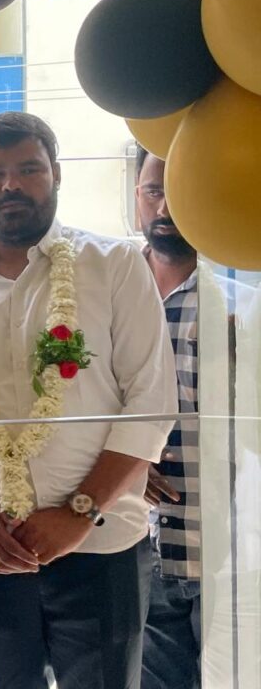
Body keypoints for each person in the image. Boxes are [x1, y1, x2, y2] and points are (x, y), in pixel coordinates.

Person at [0, 112, 177, 689]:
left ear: (56, 174)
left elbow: (150, 403)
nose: (11, 185)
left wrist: (79, 512)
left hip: (102, 544)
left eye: (29, 169)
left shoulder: (113, 266)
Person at [134, 146, 253, 689]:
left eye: (179, 192)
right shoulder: (104, 300)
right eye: (153, 190)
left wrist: (242, 376)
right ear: (136, 195)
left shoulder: (244, 306)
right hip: (128, 547)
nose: (165, 207)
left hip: (227, 552)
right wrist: (125, 463)